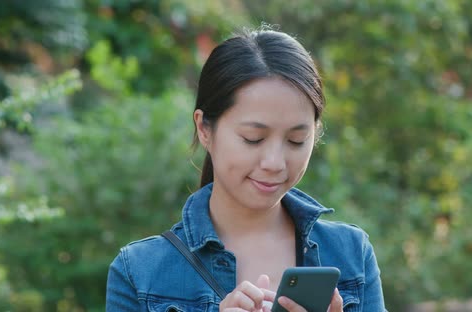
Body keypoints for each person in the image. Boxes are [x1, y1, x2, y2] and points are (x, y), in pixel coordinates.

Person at [106, 25, 386, 312]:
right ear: (204, 128)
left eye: (296, 140)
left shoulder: (351, 254)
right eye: (253, 139)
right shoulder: (139, 273)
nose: (275, 163)